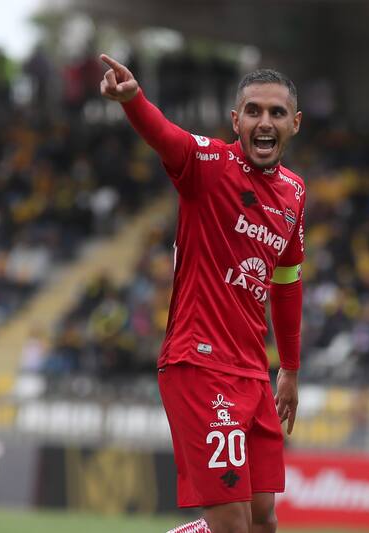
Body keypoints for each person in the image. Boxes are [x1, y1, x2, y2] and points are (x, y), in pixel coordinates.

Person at [99, 54, 305, 533]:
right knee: (231, 525)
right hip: (200, 364)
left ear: (294, 123)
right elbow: (166, 136)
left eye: (276, 113)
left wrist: (290, 370)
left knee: (263, 522)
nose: (264, 122)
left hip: (253, 373)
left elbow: (287, 282)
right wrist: (134, 100)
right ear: (236, 121)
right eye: (253, 111)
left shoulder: (295, 193)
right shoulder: (208, 164)